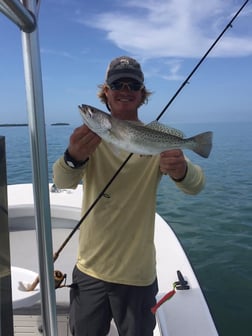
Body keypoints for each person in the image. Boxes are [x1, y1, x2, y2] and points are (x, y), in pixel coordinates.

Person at [53, 56, 206, 336]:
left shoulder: (157, 136)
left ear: (141, 94)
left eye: (133, 84)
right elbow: (62, 181)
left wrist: (182, 169)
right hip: (90, 269)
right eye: (117, 83)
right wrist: (73, 157)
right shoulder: (88, 140)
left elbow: (195, 186)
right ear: (107, 93)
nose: (125, 89)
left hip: (138, 274)